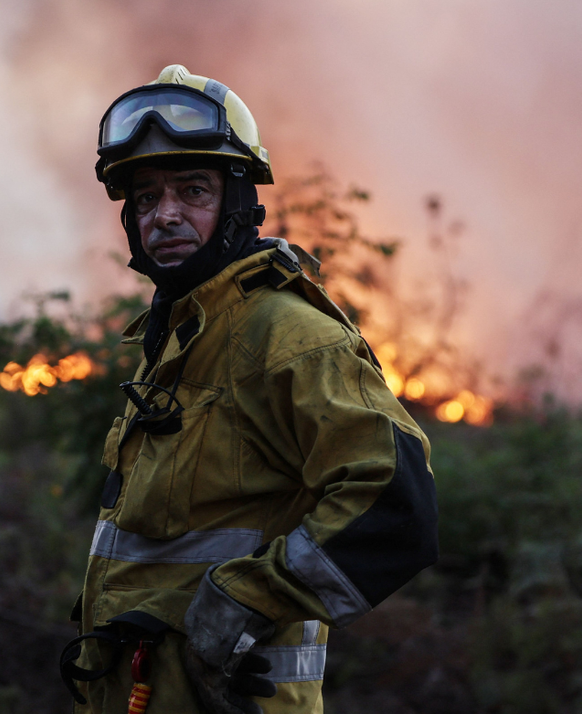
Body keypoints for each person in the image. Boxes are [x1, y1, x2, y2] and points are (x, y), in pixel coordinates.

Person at [60, 65, 439, 714]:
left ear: (238, 202)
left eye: (192, 190)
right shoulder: (176, 340)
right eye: (145, 197)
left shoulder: (288, 334)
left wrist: (247, 598)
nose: (165, 214)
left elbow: (395, 504)